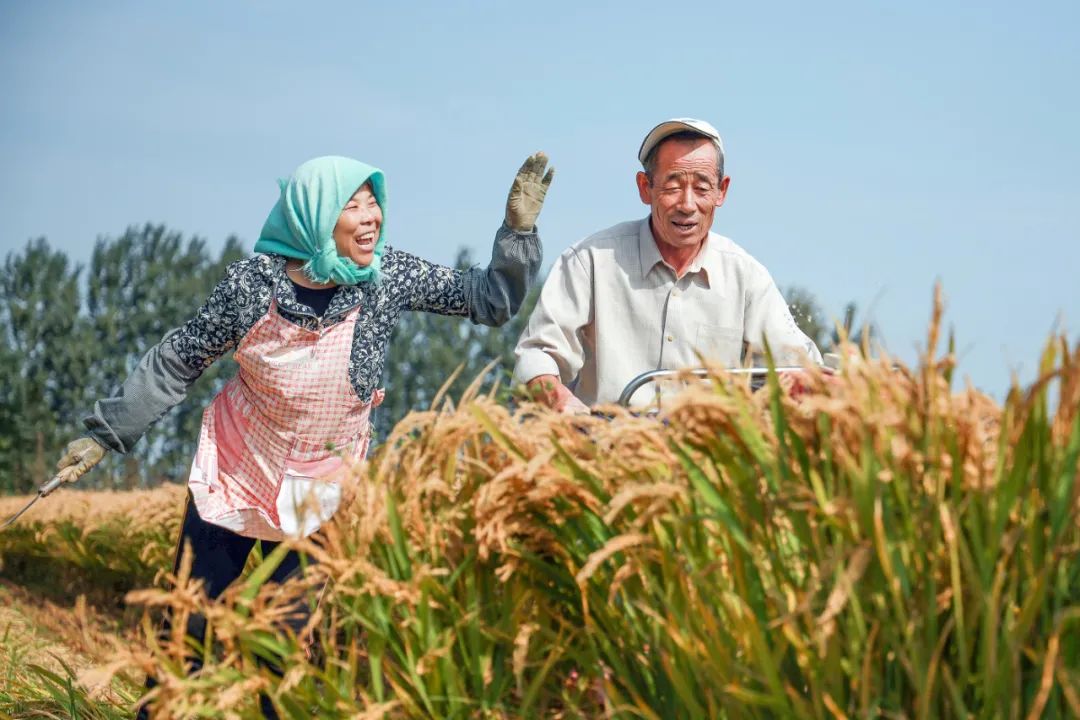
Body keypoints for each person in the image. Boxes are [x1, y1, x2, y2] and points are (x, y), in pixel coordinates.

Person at [51, 151, 554, 717]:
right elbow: (177, 360)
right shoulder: (252, 286)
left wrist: (518, 232)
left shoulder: (386, 279)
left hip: (321, 487)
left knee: (284, 642)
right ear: (314, 216)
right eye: (352, 205)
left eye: (374, 204)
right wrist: (104, 435)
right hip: (239, 470)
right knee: (188, 626)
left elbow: (487, 300)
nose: (371, 218)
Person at [512, 118, 820, 412]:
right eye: (673, 186)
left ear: (721, 191)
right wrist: (564, 404)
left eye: (701, 188)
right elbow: (537, 356)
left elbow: (801, 368)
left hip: (708, 454)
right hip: (606, 447)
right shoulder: (590, 261)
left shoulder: (747, 278)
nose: (687, 205)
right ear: (645, 188)